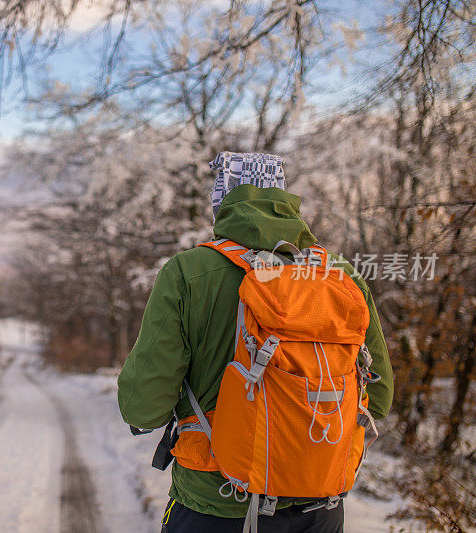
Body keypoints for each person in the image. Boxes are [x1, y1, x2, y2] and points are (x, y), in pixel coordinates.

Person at [117, 152, 393, 532]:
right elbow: (378, 397)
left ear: (222, 202)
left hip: (217, 503)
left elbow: (143, 407)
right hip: (320, 508)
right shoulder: (340, 274)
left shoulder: (189, 272)